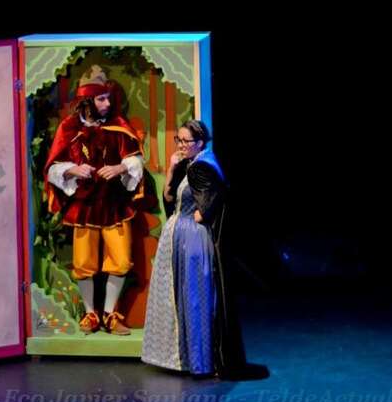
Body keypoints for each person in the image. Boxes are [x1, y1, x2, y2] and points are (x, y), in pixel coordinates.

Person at [142, 120, 263, 379]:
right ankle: (190, 359)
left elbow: (209, 204)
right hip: (183, 237)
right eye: (178, 140)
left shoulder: (201, 168)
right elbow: (170, 198)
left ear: (199, 143)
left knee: (194, 299)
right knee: (187, 297)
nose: (181, 145)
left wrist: (195, 218)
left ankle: (199, 361)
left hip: (190, 241)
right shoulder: (192, 164)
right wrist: (172, 169)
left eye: (186, 141)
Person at [44, 65, 144, 335]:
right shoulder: (69, 128)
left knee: (120, 260)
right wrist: (72, 170)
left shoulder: (117, 125)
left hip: (114, 204)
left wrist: (120, 168)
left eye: (108, 98)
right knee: (84, 262)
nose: (107, 104)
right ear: (87, 100)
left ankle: (110, 315)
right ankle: (91, 314)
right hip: (85, 205)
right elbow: (52, 167)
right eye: (101, 99)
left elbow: (135, 158)